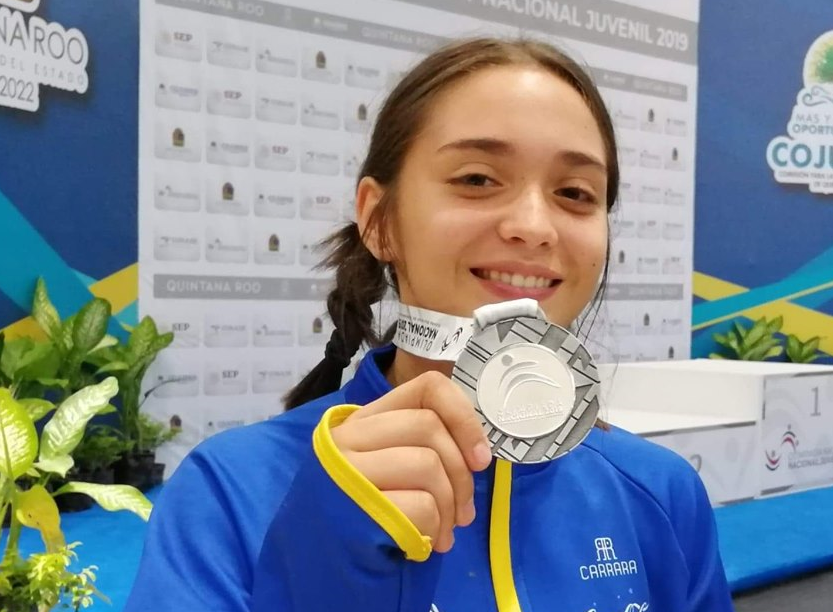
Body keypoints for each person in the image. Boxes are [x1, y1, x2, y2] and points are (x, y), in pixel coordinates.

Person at [125, 37, 733, 612]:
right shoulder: (228, 492)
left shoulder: (663, 493)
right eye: (476, 179)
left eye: (575, 193)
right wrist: (321, 571)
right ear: (378, 220)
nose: (534, 225)